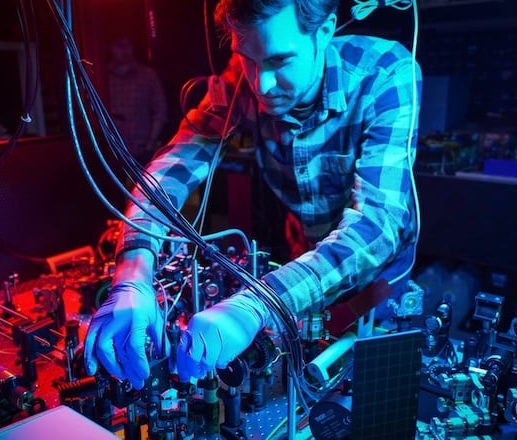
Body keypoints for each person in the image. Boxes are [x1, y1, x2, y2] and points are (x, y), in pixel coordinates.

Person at [84, 0, 421, 390]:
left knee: (365, 393)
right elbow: (175, 166)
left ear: (326, 30)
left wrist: (257, 303)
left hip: (377, 285)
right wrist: (133, 272)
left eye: (280, 61)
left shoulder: (387, 74)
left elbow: (377, 226)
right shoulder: (239, 81)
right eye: (248, 58)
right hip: (301, 268)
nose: (261, 85)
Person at [107, 35, 168, 165]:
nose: (125, 50)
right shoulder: (103, 77)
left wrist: (151, 143)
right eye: (119, 45)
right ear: (111, 48)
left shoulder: (148, 75)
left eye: (128, 45)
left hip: (143, 149)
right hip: (112, 149)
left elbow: (160, 111)